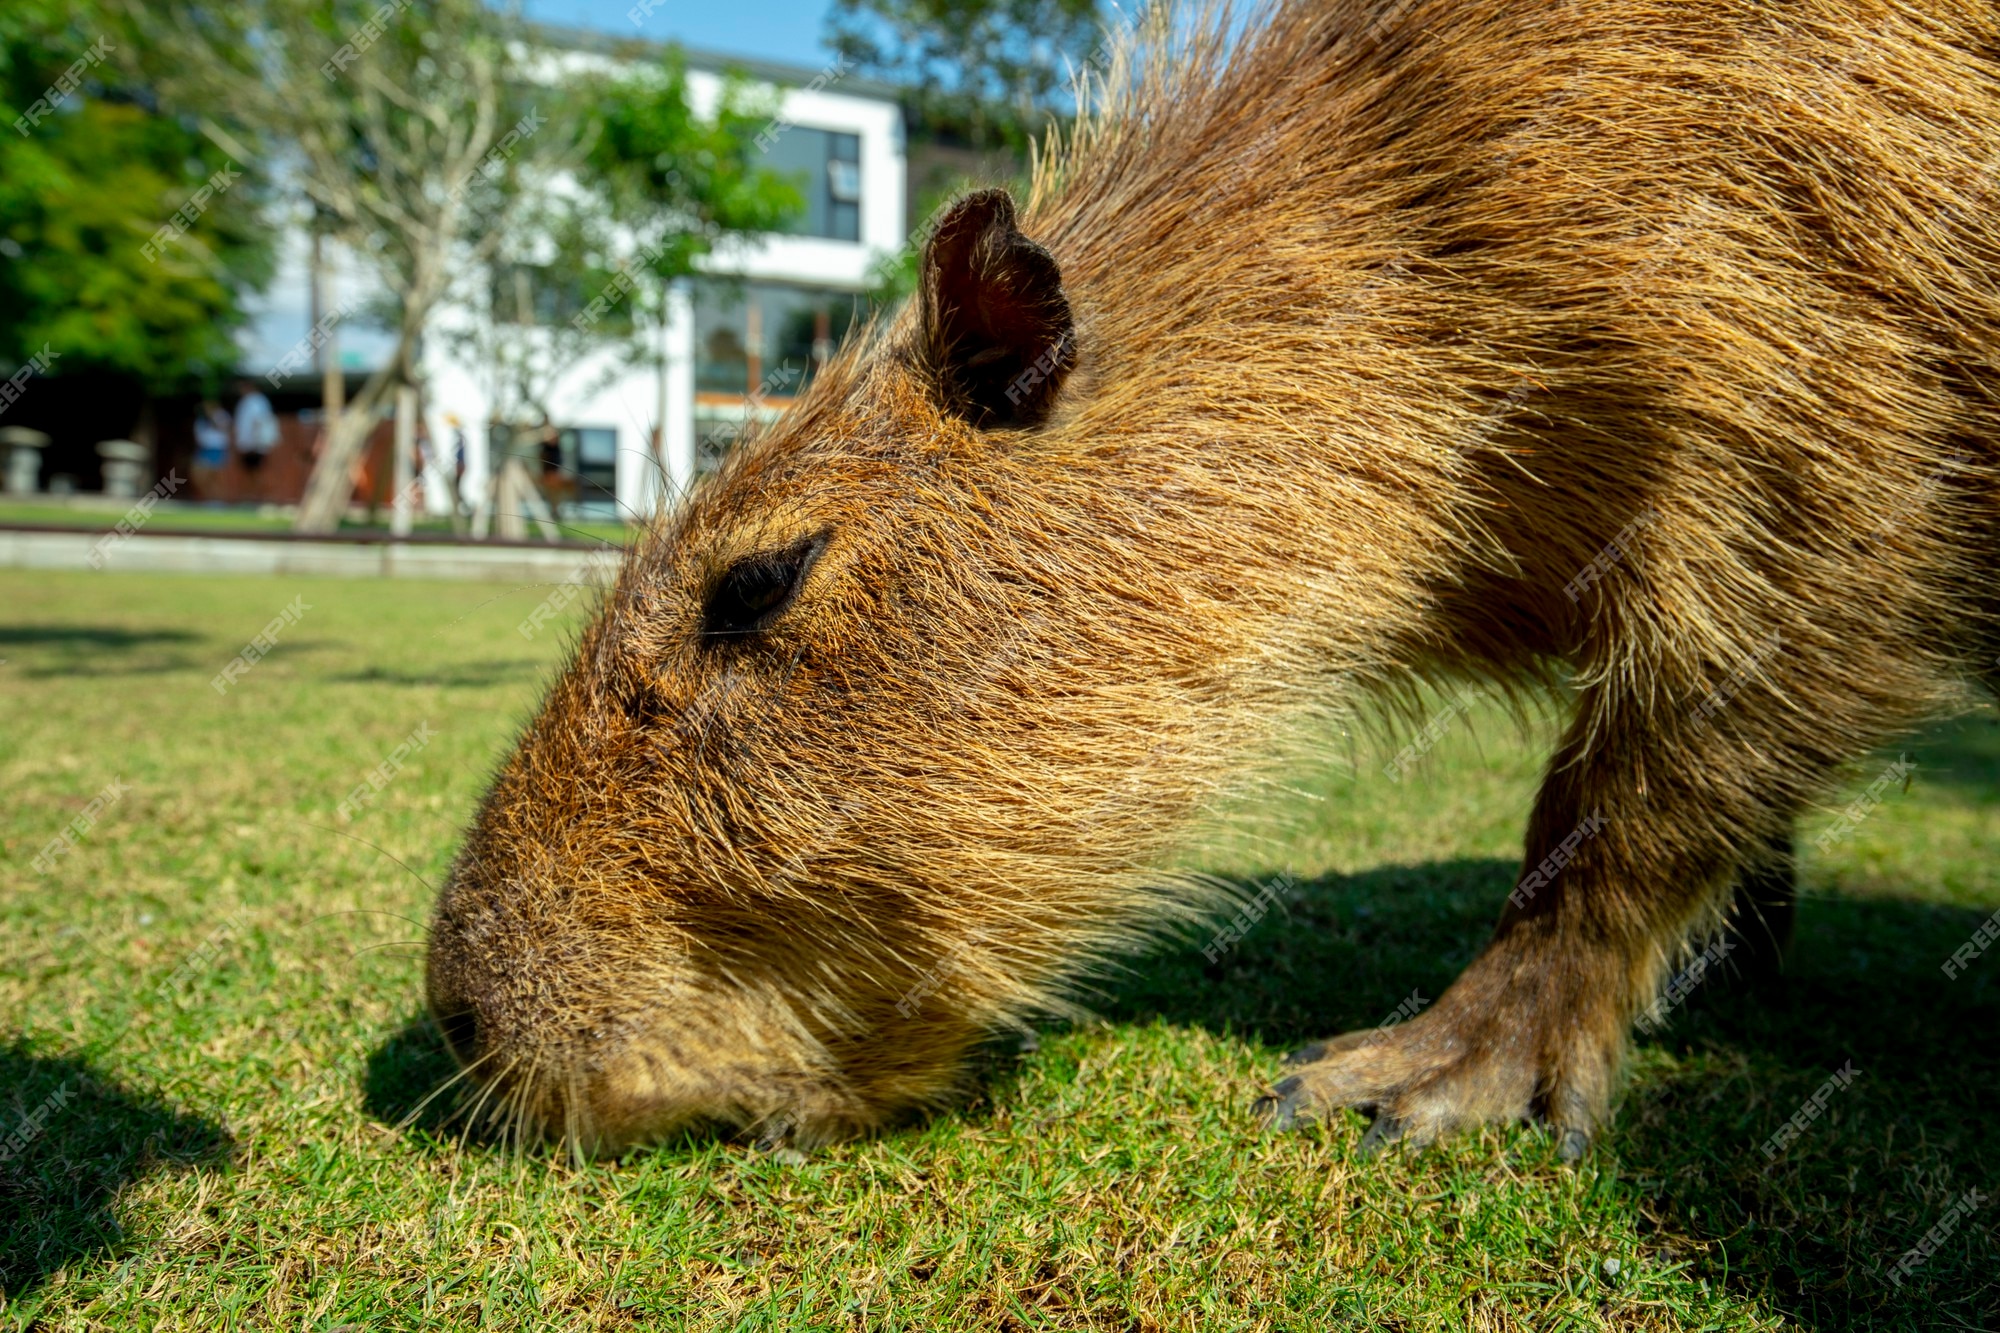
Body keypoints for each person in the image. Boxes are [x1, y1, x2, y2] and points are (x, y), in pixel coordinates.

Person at [232, 378, 279, 497]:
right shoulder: (246, 401)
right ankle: (253, 495)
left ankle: (260, 496)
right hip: (247, 443)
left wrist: (254, 441)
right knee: (249, 471)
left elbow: (259, 422)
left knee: (257, 471)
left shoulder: (256, 401)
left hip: (254, 443)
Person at [192, 400, 229, 499]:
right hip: (204, 450)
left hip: (217, 450)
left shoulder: (221, 416)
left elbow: (225, 428)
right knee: (200, 477)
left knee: (216, 478)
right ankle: (208, 497)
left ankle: (217, 500)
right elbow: (198, 437)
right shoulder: (200, 421)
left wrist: (212, 418)